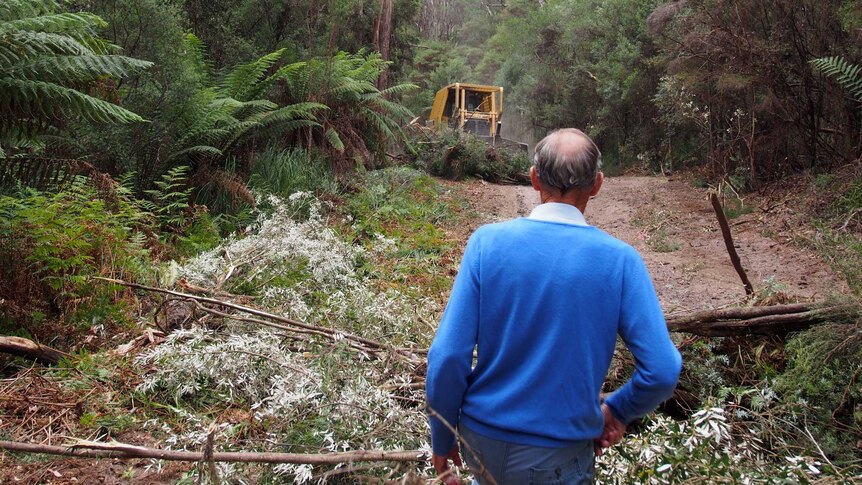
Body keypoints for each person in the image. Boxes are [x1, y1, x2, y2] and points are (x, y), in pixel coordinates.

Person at [425, 128, 683, 484]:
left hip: (480, 441)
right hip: (558, 453)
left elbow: (447, 356)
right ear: (597, 185)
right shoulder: (621, 262)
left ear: (534, 179)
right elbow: (663, 370)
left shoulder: (486, 244)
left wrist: (442, 437)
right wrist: (617, 411)